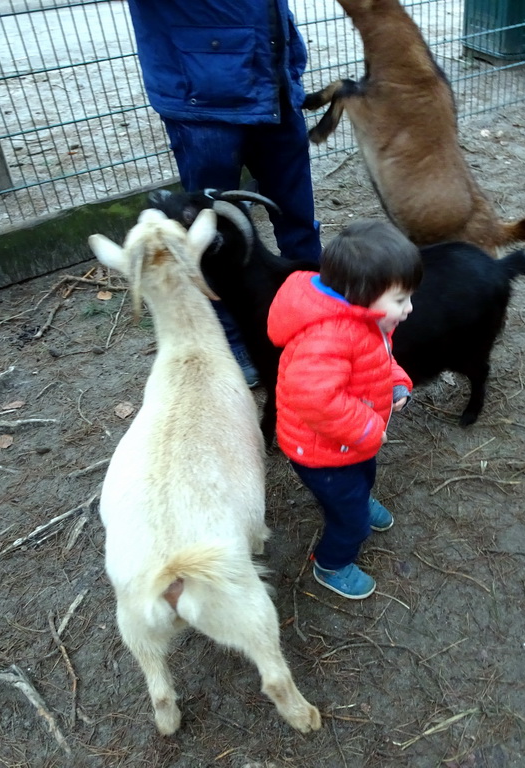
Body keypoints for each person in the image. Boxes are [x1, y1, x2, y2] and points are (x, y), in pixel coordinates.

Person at [126, 0, 323, 385]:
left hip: (273, 81)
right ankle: (235, 340)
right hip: (204, 98)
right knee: (212, 236)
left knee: (298, 221)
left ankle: (318, 319)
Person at [267, 220, 423, 599]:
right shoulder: (328, 337)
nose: (409, 308)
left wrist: (396, 381)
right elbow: (316, 398)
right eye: (401, 300)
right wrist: (367, 431)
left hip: (346, 445)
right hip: (322, 451)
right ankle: (332, 564)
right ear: (361, 294)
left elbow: (377, 360)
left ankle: (358, 497)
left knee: (362, 475)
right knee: (350, 521)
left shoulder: (363, 320)